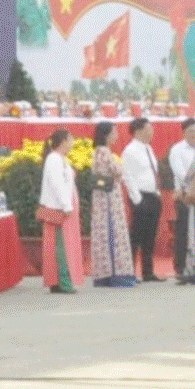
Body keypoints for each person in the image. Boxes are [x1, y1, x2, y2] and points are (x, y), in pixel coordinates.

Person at [85, 118, 138, 287]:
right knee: (113, 232)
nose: (116, 136)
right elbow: (116, 171)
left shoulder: (99, 151)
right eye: (114, 132)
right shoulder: (104, 152)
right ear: (107, 135)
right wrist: (122, 169)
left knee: (106, 234)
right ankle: (117, 274)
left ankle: (105, 273)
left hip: (104, 196)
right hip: (109, 198)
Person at [167, 117, 195, 285]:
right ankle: (180, 268)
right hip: (186, 196)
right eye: (190, 131)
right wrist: (194, 186)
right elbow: (181, 173)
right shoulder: (177, 150)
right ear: (184, 132)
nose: (194, 134)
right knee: (183, 232)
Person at [119, 116, 164, 282]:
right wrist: (136, 199)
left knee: (150, 236)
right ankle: (129, 271)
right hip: (140, 196)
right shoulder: (130, 150)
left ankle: (148, 271)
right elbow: (127, 176)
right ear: (138, 130)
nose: (151, 132)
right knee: (136, 235)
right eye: (148, 129)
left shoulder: (148, 148)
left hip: (153, 195)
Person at [36, 128, 79, 294]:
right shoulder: (54, 160)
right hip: (57, 210)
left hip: (59, 208)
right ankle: (63, 281)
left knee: (56, 246)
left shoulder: (59, 159)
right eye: (71, 140)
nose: (73, 143)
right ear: (63, 142)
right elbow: (57, 185)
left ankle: (56, 281)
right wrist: (66, 206)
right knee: (60, 247)